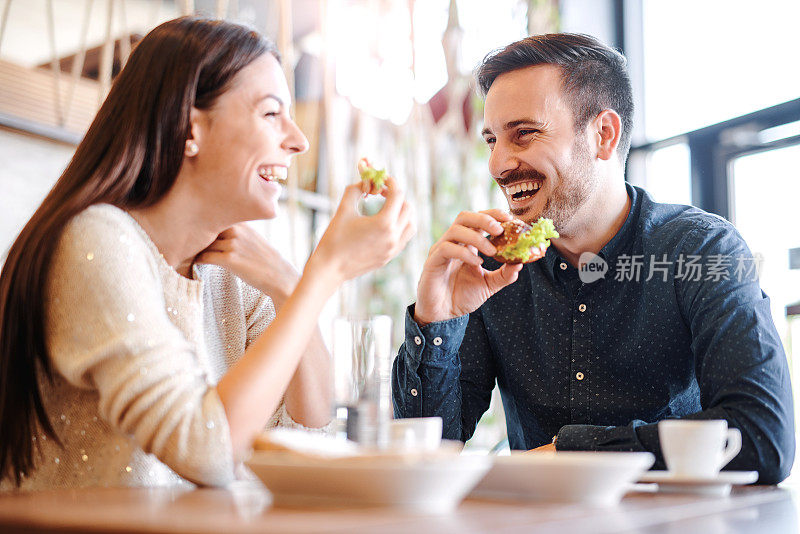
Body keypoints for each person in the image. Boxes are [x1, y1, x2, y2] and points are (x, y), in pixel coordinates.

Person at [0, 17, 414, 490]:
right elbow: (207, 451)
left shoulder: (232, 275)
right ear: (190, 127)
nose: (298, 140)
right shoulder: (95, 240)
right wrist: (325, 273)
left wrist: (290, 285)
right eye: (271, 113)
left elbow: (310, 426)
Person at [392, 33, 794, 484]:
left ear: (603, 135)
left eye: (524, 134)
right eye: (491, 140)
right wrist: (435, 321)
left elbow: (763, 436)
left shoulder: (701, 251)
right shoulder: (490, 270)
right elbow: (420, 457)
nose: (499, 164)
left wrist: (575, 451)